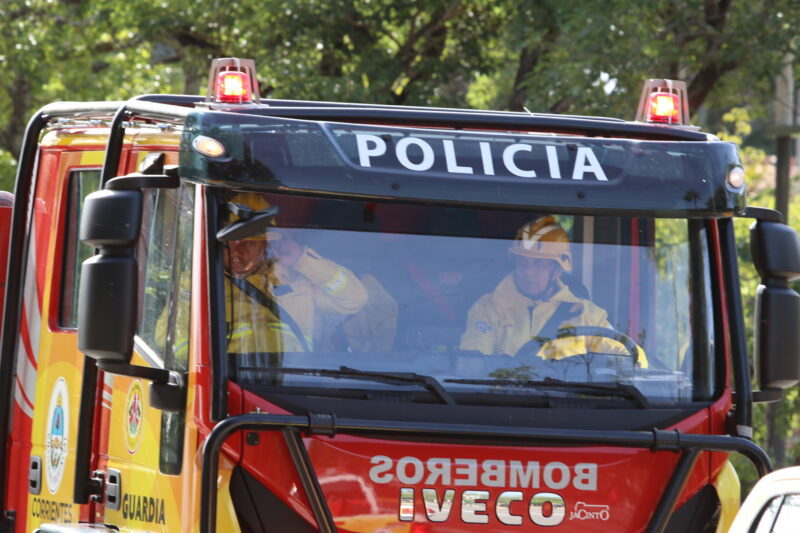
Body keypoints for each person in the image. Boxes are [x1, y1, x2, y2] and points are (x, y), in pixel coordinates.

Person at [459, 215, 647, 366]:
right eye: (523, 262)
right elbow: (470, 366)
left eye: (539, 264)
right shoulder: (487, 308)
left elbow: (632, 358)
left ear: (557, 270)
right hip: (502, 403)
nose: (528, 272)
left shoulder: (587, 315)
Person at [223, 192, 369, 354]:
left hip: (293, 377)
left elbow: (354, 299)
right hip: (225, 378)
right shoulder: (198, 285)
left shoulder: (297, 281)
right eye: (232, 242)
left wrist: (301, 259)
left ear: (266, 244)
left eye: (249, 243)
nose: (238, 251)